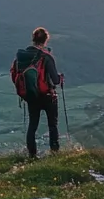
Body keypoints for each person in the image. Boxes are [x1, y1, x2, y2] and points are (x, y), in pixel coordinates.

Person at [11, 27, 64, 159]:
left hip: (31, 96)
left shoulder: (22, 57)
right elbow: (55, 80)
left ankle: (32, 155)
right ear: (46, 40)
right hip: (47, 96)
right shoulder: (46, 57)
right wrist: (60, 78)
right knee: (52, 124)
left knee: (32, 125)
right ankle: (55, 153)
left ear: (33, 39)